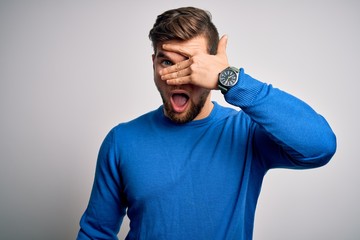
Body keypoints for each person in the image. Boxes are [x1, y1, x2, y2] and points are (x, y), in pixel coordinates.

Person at [77, 6, 336, 240]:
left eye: (192, 65)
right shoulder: (122, 140)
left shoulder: (246, 134)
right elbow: (95, 232)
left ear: (212, 68)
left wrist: (232, 81)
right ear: (153, 63)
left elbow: (320, 146)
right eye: (167, 63)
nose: (177, 79)